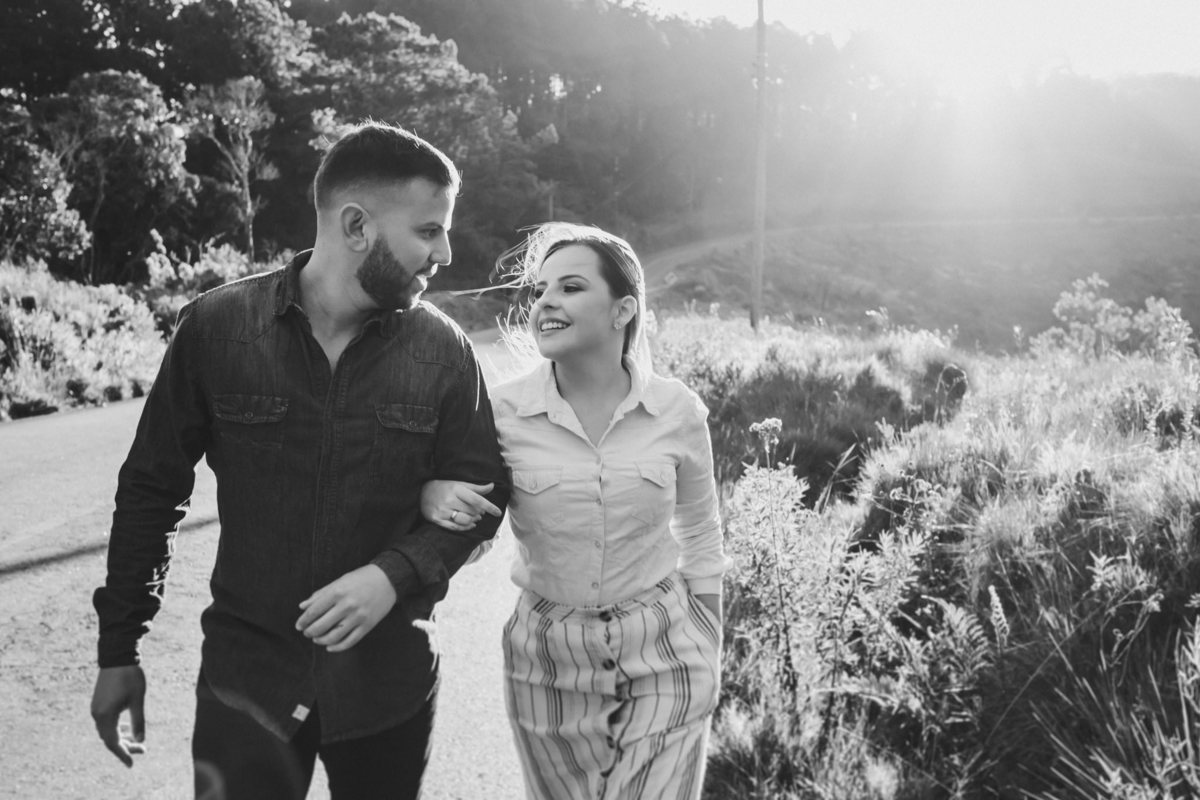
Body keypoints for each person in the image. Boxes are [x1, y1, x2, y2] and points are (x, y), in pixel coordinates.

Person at [90, 121, 509, 800]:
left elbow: (484, 498)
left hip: (387, 691)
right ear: (356, 226)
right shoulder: (217, 329)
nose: (446, 252)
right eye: (429, 231)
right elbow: (150, 492)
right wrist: (119, 650)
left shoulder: (444, 353)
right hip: (245, 685)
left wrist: (392, 575)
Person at [422, 222, 728, 800]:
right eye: (539, 290)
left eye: (570, 287)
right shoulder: (500, 413)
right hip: (546, 662)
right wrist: (434, 497)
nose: (545, 302)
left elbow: (700, 533)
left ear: (622, 311)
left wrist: (710, 641)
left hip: (666, 650)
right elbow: (477, 536)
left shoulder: (676, 410)